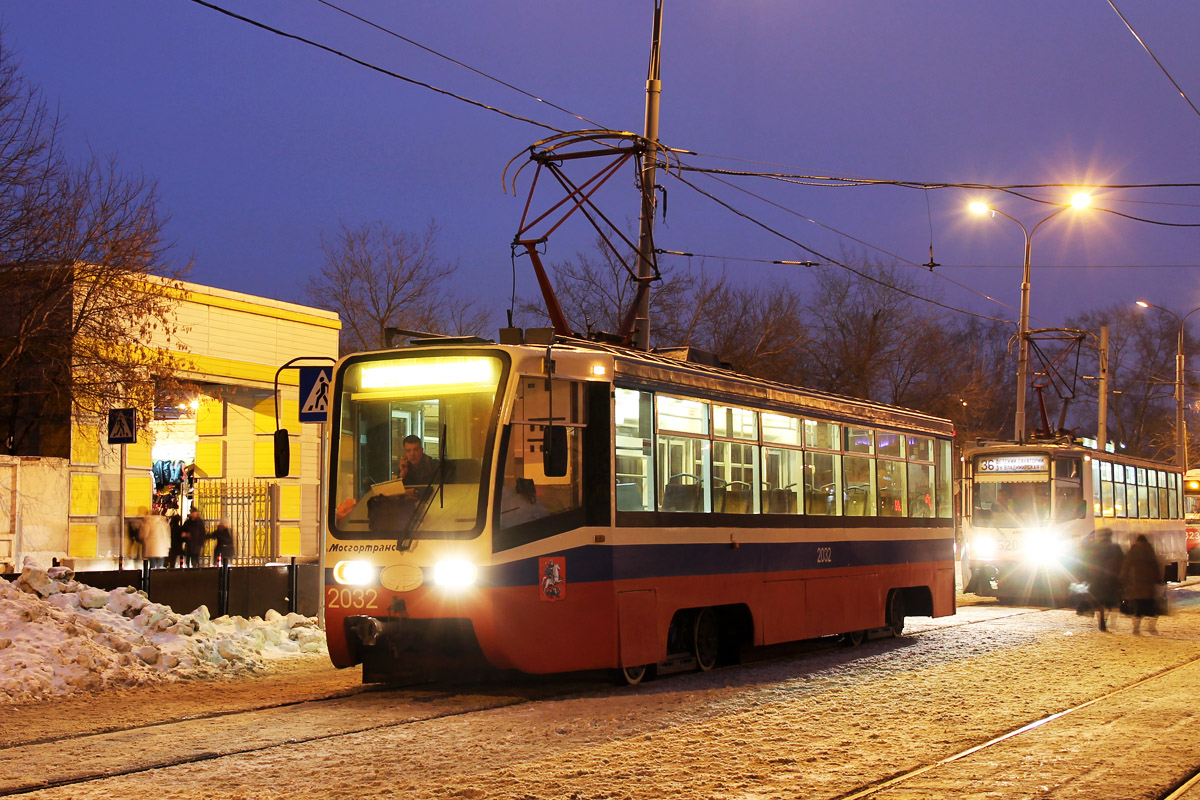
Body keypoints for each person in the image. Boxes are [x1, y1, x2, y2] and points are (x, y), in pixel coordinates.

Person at [1120, 533, 1165, 635]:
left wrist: (1123, 578)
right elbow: (1155, 567)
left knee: (1138, 606)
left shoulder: (1132, 551)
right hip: (1148, 584)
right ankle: (1151, 628)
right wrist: (1158, 579)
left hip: (1135, 583)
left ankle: (1136, 628)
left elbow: (1126, 566)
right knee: (1150, 607)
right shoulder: (1150, 551)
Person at [1087, 528, 1124, 631]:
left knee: (1099, 601)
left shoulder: (1095, 547)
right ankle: (1105, 620)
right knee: (1109, 602)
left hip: (1097, 578)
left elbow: (1088, 562)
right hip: (1111, 579)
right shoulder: (1115, 548)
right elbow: (1121, 563)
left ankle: (1101, 619)